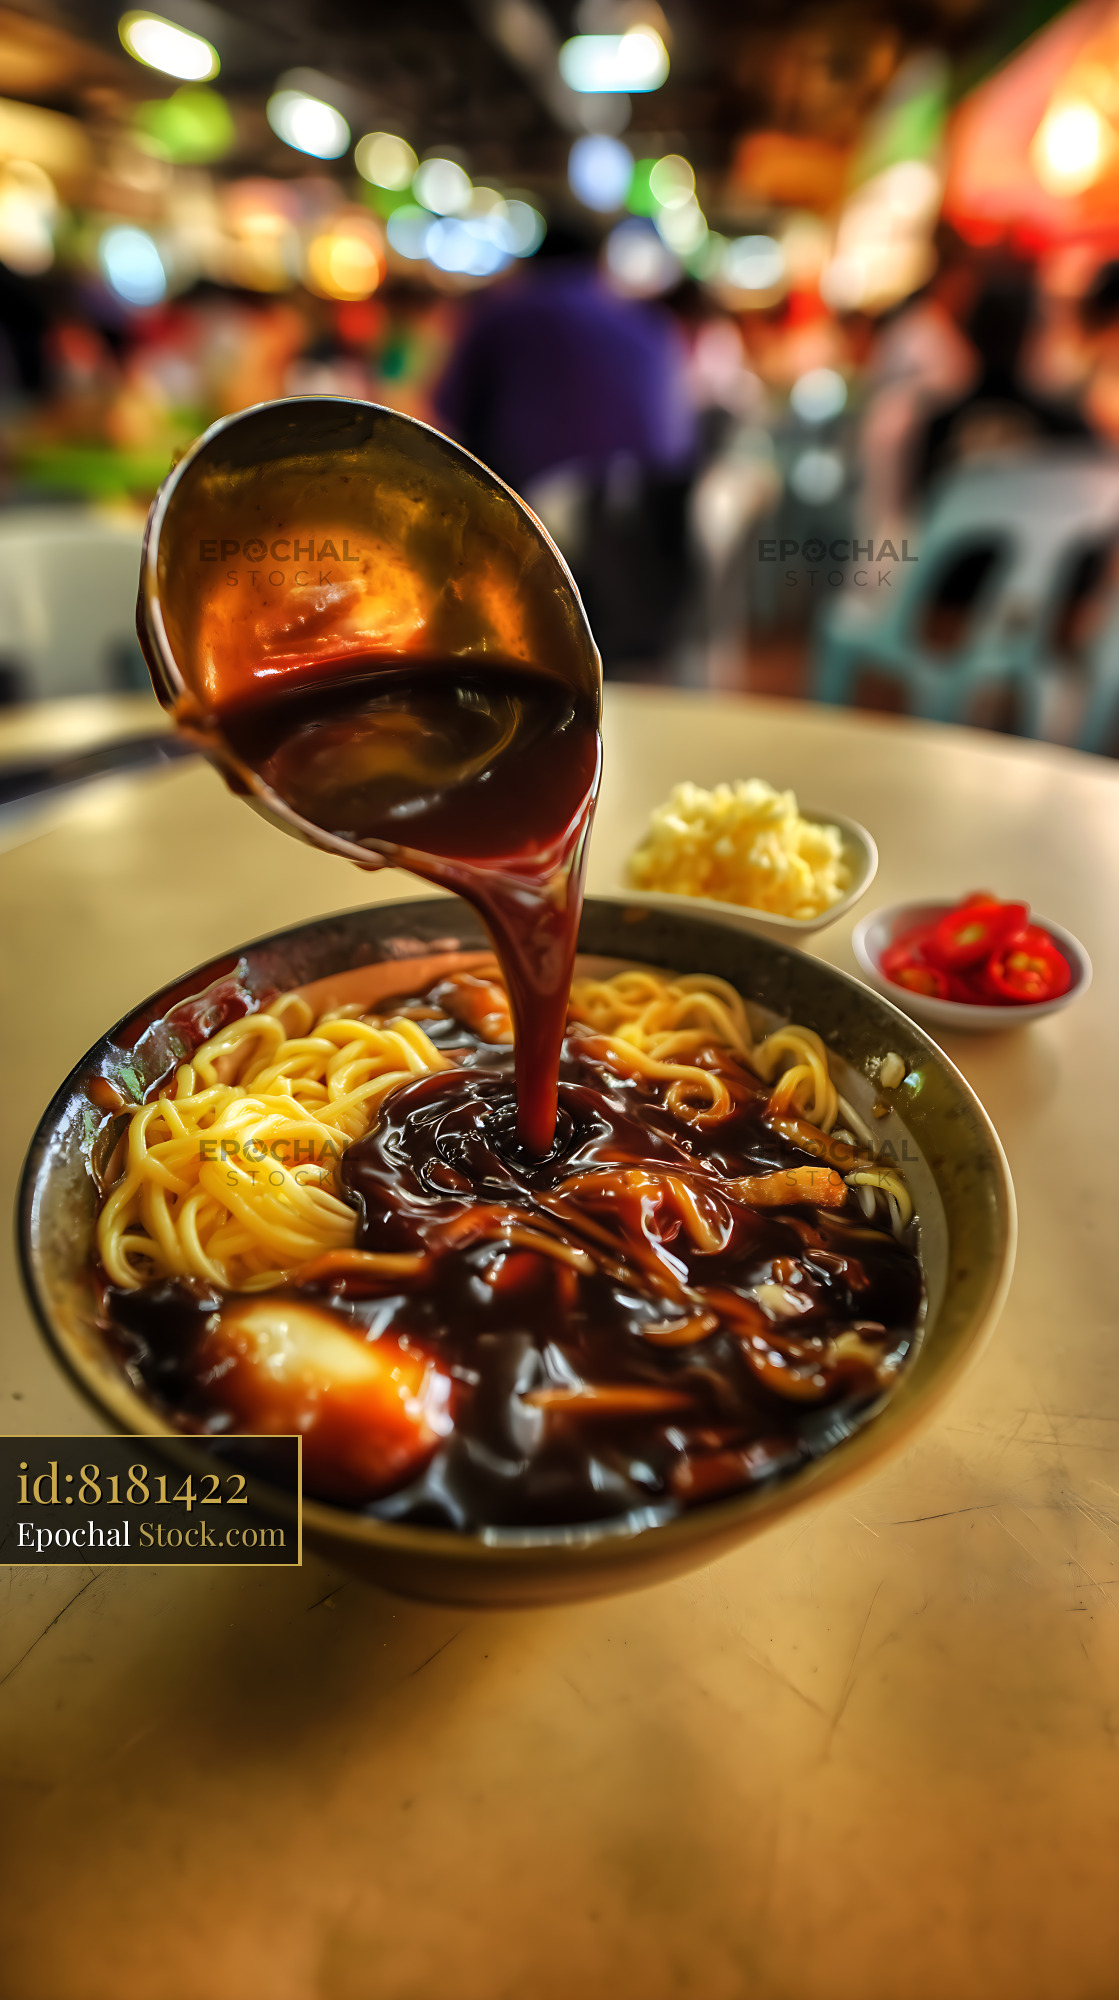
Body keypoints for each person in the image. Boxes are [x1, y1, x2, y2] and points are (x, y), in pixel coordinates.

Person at [434, 222, 696, 669]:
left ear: (527, 266)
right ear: (598, 265)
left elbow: (448, 417)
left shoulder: (503, 314)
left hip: (549, 525)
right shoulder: (648, 322)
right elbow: (678, 435)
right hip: (657, 528)